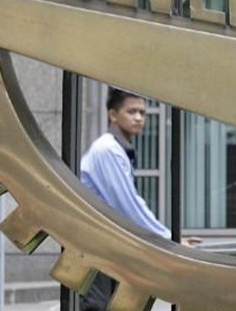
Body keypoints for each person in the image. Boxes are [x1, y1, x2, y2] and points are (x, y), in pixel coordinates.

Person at [79, 88, 186, 310]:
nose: (139, 118)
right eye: (131, 112)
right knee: (97, 305)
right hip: (96, 244)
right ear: (113, 115)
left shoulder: (117, 149)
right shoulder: (107, 150)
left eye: (142, 112)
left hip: (107, 244)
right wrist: (167, 238)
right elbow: (127, 205)